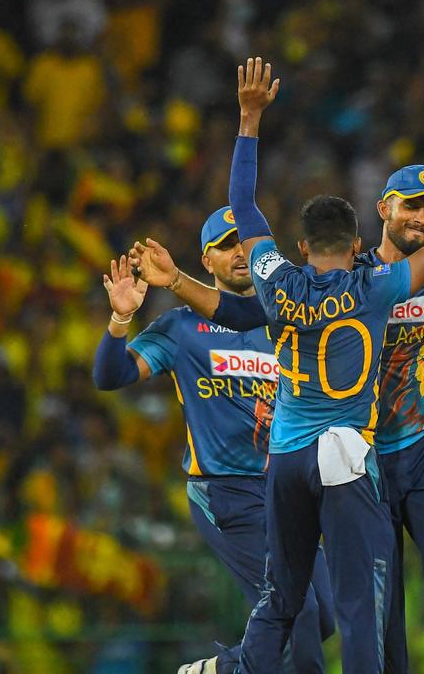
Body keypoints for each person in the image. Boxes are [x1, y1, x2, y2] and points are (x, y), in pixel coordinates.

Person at [176, 56, 424, 674]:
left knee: (409, 584)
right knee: (370, 604)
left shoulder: (284, 281)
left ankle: (234, 668)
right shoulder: (379, 286)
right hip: (358, 454)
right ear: (375, 217)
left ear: (304, 248)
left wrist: (249, 121)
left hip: (375, 446)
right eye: (413, 205)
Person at [90, 209, 335, 673]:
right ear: (206, 261)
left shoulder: (284, 323)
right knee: (296, 607)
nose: (240, 251)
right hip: (226, 492)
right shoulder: (182, 329)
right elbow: (111, 375)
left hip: (286, 489)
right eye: (226, 245)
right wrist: (121, 319)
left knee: (323, 617)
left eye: (245, 241)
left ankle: (222, 670)